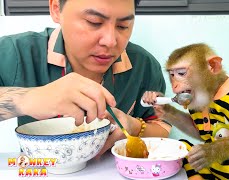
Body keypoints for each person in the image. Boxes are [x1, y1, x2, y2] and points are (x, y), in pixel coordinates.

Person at [0, 0, 171, 157]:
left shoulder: (143, 65)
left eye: (123, 26)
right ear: (56, 9)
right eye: (94, 22)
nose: (110, 41)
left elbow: (162, 127)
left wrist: (133, 126)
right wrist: (26, 99)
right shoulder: (15, 53)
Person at [142, 43, 229, 179]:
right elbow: (201, 132)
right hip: (214, 163)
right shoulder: (200, 100)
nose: (174, 86)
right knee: (181, 149)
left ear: (213, 67)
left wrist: (215, 151)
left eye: (181, 73)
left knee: (225, 160)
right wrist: (167, 111)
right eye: (172, 74)